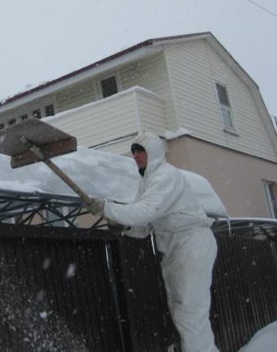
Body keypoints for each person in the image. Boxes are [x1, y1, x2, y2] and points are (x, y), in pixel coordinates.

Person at [87, 132, 219, 352]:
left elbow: (145, 211)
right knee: (181, 311)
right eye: (134, 152)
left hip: (191, 243)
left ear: (154, 153)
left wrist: (106, 207)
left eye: (141, 151)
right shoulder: (147, 183)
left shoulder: (166, 176)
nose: (136, 156)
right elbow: (143, 227)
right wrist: (122, 225)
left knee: (190, 312)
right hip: (174, 248)